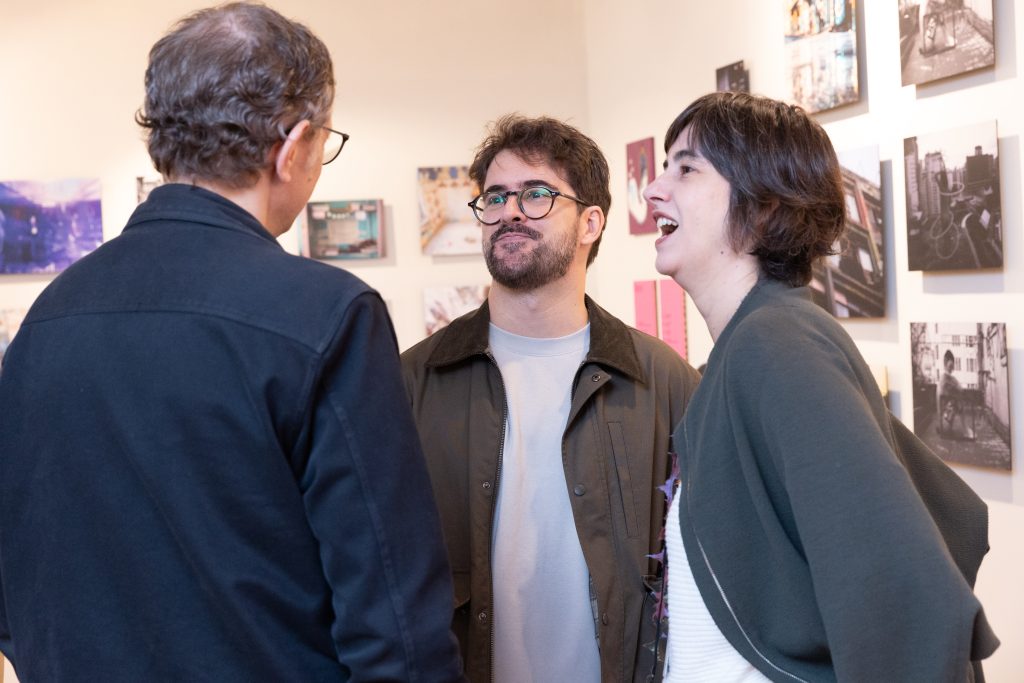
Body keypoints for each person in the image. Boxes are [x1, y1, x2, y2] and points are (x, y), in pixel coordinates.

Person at [0, 4, 463, 681]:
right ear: (293, 147)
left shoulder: (47, 319)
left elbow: (17, 589)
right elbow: (397, 628)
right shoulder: (327, 315)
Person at [643, 91, 998, 682]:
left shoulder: (775, 345)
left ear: (762, 207)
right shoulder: (750, 347)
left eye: (685, 169)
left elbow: (905, 597)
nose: (654, 190)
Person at [401, 115, 702, 682]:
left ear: (591, 222)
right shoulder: (413, 380)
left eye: (537, 194)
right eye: (495, 197)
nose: (510, 212)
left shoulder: (663, 382)